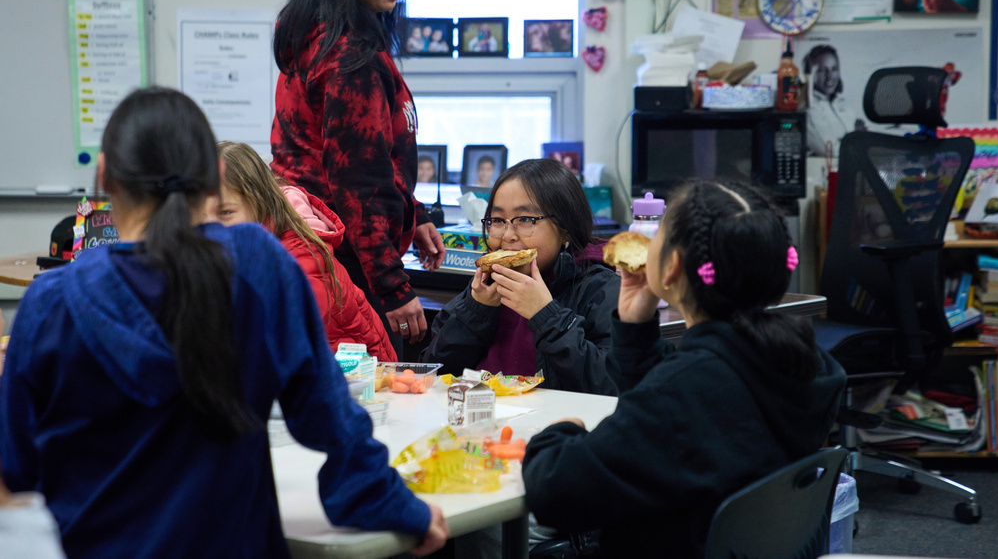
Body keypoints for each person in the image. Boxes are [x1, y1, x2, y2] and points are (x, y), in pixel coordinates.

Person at [0, 87, 447, 557]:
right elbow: (333, 426)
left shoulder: (51, 301)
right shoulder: (260, 262)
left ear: (105, 174)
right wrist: (402, 509)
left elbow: (18, 470)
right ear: (214, 176)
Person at [520, 179, 845, 556]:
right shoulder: (805, 363)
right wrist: (636, 327)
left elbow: (555, 493)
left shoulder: (688, 390)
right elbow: (674, 414)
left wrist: (558, 433)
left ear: (671, 266)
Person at [271, 0, 446, 359]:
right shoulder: (351, 57)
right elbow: (358, 184)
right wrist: (392, 288)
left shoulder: (319, 34)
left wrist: (415, 211)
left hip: (312, 244)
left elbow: (372, 157)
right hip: (342, 259)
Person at [424, 159, 620, 395]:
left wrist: (546, 315)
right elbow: (432, 374)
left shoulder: (600, 287)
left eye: (525, 220)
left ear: (566, 226)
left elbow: (612, 385)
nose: (507, 236)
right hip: (482, 425)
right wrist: (477, 311)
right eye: (497, 221)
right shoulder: (485, 286)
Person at [216, 140, 397, 361]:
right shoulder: (246, 246)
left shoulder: (299, 259)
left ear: (257, 199)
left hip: (369, 382)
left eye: (225, 212)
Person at [802, 44, 862, 156]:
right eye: (821, 70)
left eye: (834, 69)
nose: (830, 76)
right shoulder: (809, 107)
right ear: (809, 75)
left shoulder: (842, 104)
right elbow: (830, 151)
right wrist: (857, 137)